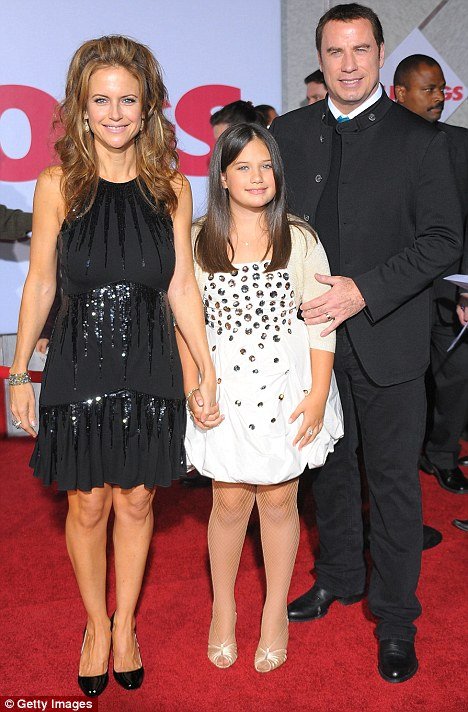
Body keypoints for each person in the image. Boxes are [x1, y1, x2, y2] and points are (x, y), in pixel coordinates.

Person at [9, 35, 218, 697]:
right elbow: (41, 282)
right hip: (79, 358)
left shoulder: (172, 188)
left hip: (151, 359)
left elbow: (181, 285)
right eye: (101, 100)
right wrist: (19, 373)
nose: (115, 113)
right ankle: (94, 626)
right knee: (88, 502)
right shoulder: (57, 185)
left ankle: (125, 623)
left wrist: (205, 367)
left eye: (127, 99)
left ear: (148, 106)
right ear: (81, 107)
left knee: (137, 498)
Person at [270, 3, 462, 683]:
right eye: (335, 51)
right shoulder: (288, 134)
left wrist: (365, 290)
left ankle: (397, 619)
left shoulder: (423, 140)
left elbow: (444, 240)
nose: (348, 65)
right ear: (320, 59)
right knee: (327, 470)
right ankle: (339, 576)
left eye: (360, 50)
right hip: (308, 342)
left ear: (381, 54)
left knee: (393, 484)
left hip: (391, 339)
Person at [178, 122, 343, 673]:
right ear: (222, 176)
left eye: (265, 166)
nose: (256, 177)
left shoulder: (300, 238)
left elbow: (321, 321)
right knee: (228, 502)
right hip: (221, 386)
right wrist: (193, 384)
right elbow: (185, 322)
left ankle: (274, 612)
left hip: (287, 388)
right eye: (243, 167)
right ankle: (223, 607)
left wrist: (318, 393)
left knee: (278, 501)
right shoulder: (197, 238)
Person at [394, 54, 468, 493]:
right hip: (393, 291)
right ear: (400, 94)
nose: (439, 96)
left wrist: (466, 286)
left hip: (448, 290)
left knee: (456, 375)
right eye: (429, 89)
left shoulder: (461, 144)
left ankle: (440, 454)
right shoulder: (380, 146)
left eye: (441, 88)